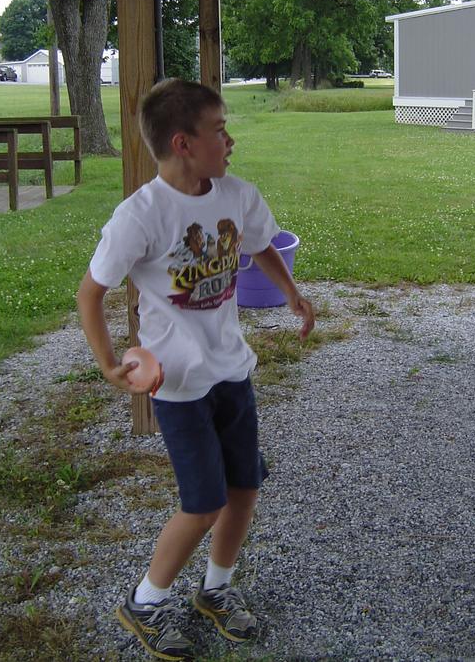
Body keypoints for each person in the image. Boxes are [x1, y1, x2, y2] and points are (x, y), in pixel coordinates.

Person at [77, 78, 315, 660]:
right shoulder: (142, 215)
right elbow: (90, 294)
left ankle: (216, 590)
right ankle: (146, 602)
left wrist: (291, 293)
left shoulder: (237, 195)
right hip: (179, 386)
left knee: (243, 489)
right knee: (203, 502)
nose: (230, 139)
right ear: (183, 142)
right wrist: (110, 364)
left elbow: (259, 244)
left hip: (232, 370)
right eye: (219, 129)